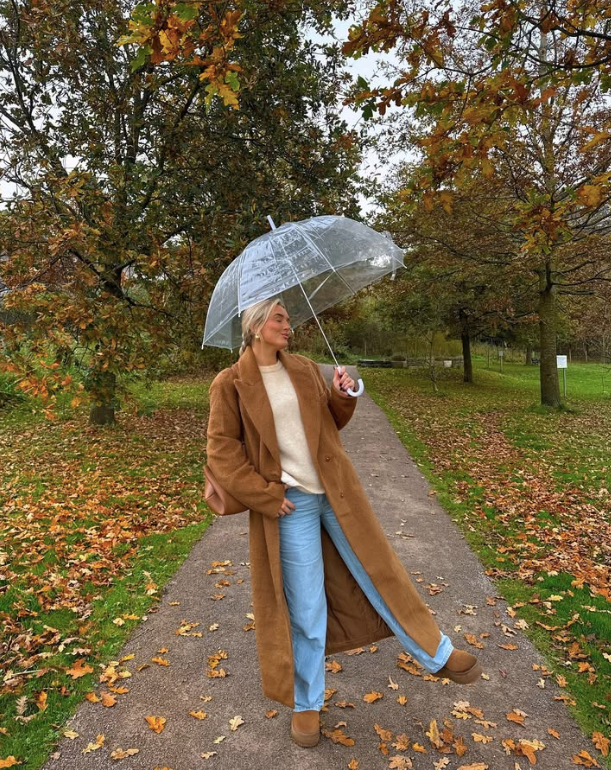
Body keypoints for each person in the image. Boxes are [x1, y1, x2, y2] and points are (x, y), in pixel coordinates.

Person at [205, 297, 482, 749]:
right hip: (288, 505)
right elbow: (222, 453)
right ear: (255, 326)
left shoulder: (304, 368)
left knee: (382, 573)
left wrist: (341, 393)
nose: (287, 326)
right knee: (306, 608)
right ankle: (307, 704)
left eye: (288, 319)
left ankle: (438, 653)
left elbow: (330, 423)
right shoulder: (230, 384)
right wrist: (267, 496)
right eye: (278, 319)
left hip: (337, 494)